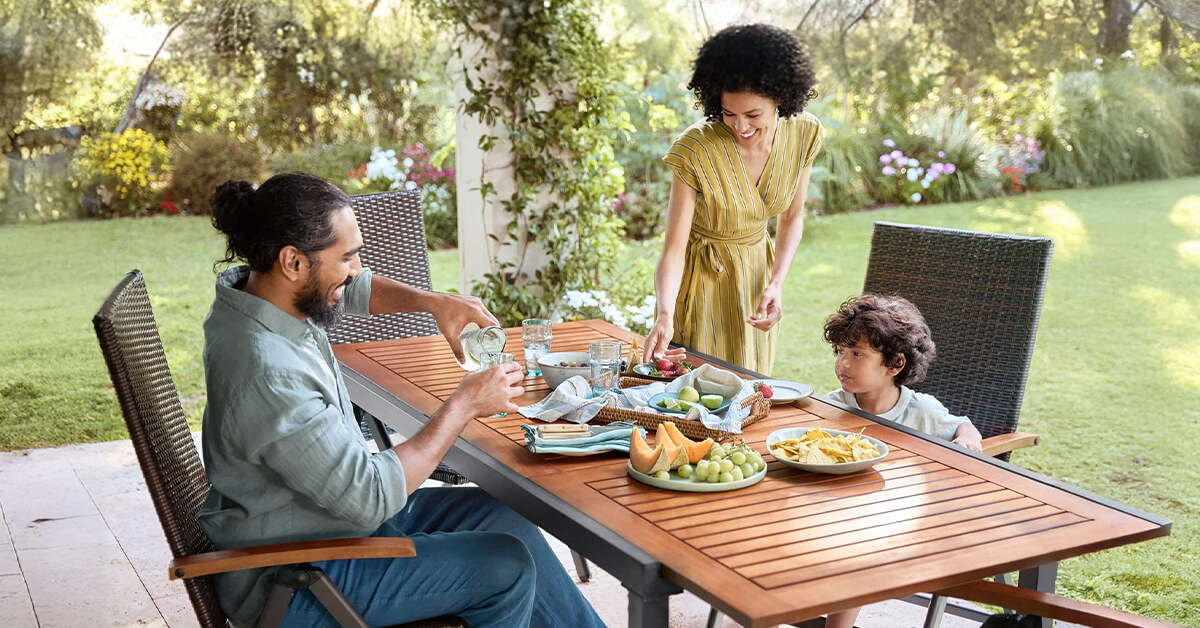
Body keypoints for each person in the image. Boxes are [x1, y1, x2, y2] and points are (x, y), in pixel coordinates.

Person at [198, 172, 605, 628]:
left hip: (323, 521)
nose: (356, 270)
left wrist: (436, 302)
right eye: (347, 258)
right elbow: (370, 495)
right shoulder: (267, 368)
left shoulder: (260, 294)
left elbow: (352, 288)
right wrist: (464, 405)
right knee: (503, 566)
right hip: (295, 575)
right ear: (293, 261)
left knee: (506, 518)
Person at [643, 23, 824, 374]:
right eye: (728, 114)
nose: (740, 127)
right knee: (698, 394)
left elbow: (792, 217)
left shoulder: (804, 133)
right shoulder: (695, 149)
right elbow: (674, 249)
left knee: (752, 391)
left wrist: (776, 283)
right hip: (704, 281)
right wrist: (665, 311)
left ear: (781, 99)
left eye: (753, 115)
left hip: (756, 277)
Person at [820, 293, 983, 628]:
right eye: (840, 352)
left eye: (857, 354)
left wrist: (967, 438)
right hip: (837, 513)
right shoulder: (831, 407)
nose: (843, 364)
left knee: (855, 548)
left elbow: (962, 426)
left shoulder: (921, 411)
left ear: (894, 364)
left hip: (896, 525)